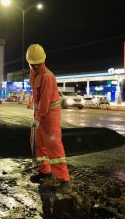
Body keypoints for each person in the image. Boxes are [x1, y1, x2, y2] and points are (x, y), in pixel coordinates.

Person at [26, 44, 70, 189]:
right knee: (37, 142)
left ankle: (63, 179)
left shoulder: (47, 77)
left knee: (53, 145)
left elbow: (45, 101)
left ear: (43, 61)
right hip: (40, 113)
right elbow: (37, 95)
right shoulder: (33, 73)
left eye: (38, 64)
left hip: (50, 114)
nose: (35, 67)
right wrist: (34, 109)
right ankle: (44, 170)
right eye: (33, 65)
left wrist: (38, 118)